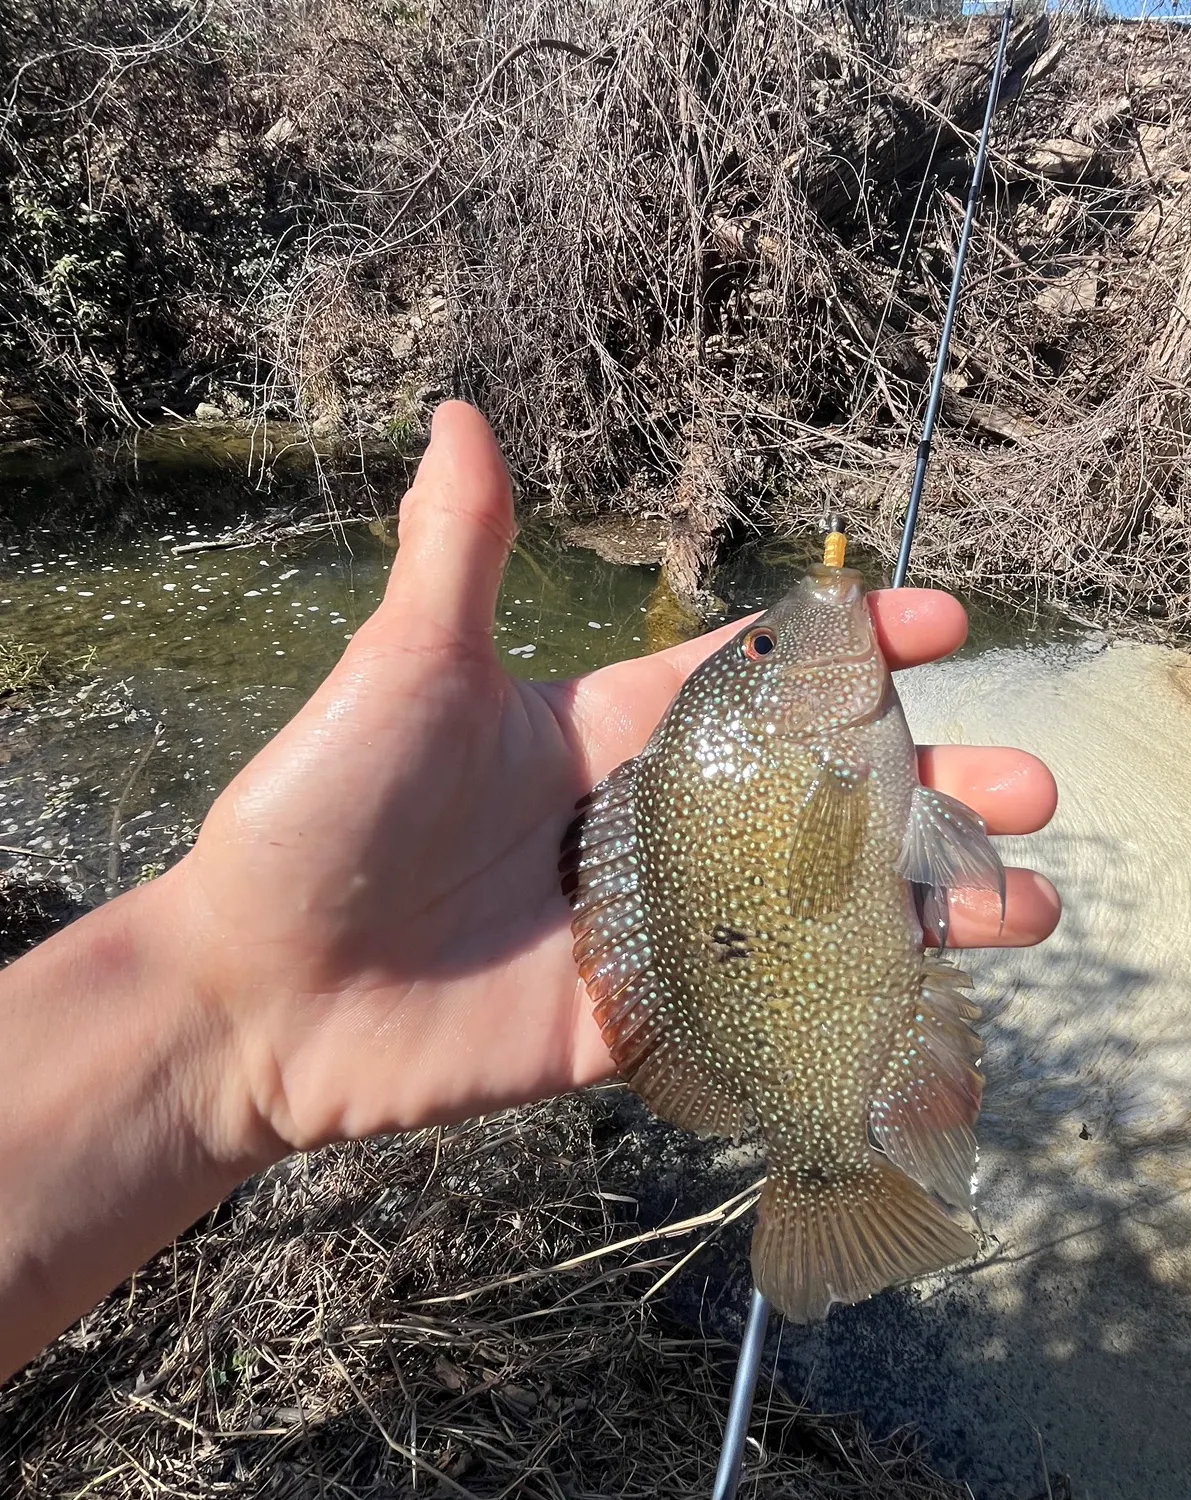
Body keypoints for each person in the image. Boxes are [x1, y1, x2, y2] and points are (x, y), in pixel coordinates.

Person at [0, 402, 1060, 1382]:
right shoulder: (795, 744)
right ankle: (829, 1161)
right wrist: (221, 997)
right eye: (767, 643)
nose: (782, 627)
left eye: (762, 639)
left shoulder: (805, 743)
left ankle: (839, 1152)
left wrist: (223, 1003)